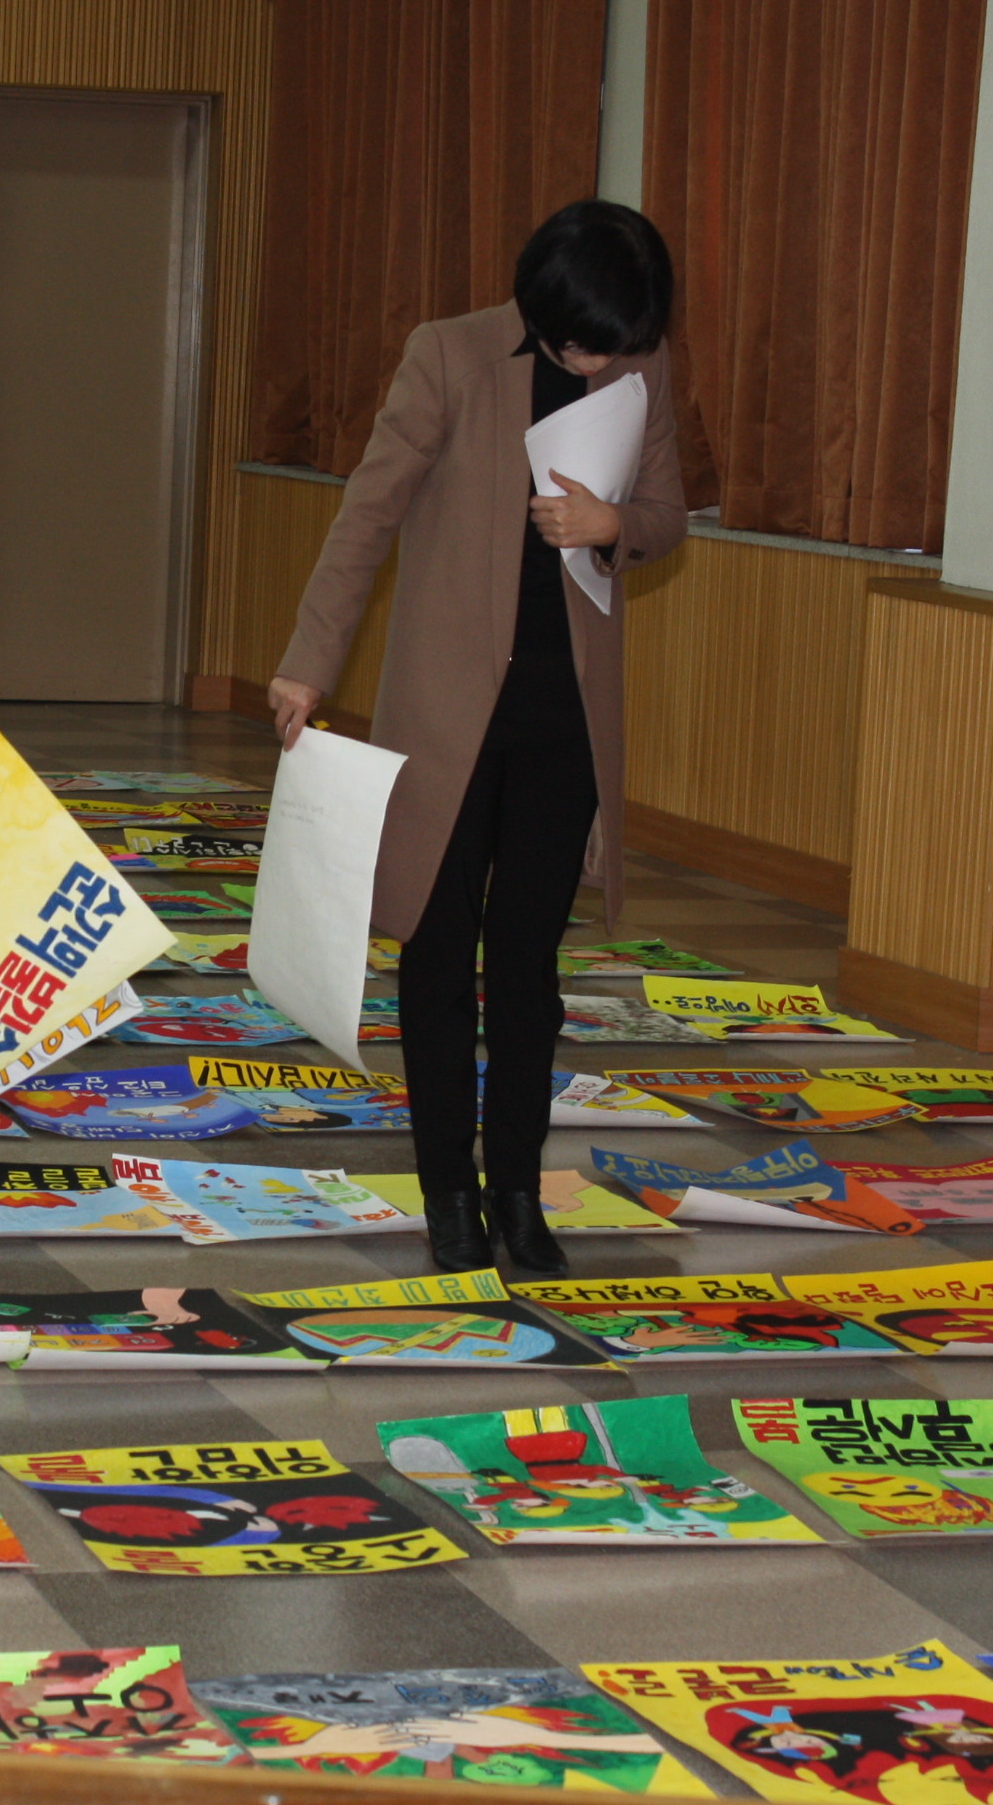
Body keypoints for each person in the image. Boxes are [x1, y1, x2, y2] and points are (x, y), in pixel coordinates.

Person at [266, 200, 686, 1278]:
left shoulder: (640, 368)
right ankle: (447, 1190)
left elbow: (665, 516)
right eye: (583, 343)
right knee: (438, 954)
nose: (600, 362)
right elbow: (367, 513)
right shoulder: (449, 356)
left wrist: (613, 527)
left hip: (564, 720)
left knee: (528, 968)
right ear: (542, 308)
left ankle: (517, 1193)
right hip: (444, 716)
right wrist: (310, 661)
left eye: (619, 345)